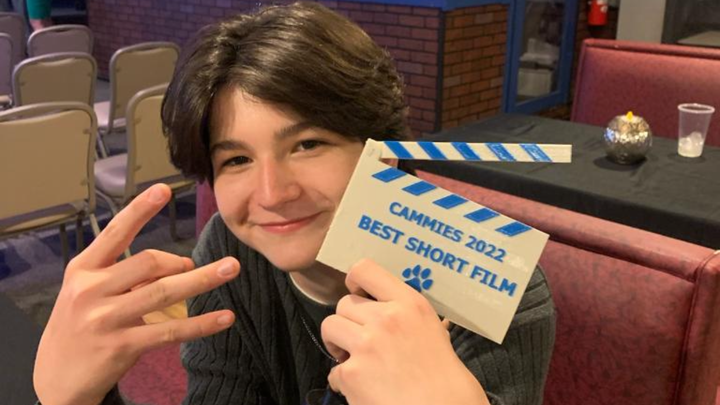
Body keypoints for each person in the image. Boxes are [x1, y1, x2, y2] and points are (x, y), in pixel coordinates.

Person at [33, 3, 556, 405]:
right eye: (237, 159)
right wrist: (71, 399)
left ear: (384, 153)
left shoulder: (495, 287)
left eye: (308, 145)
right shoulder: (231, 253)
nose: (271, 194)